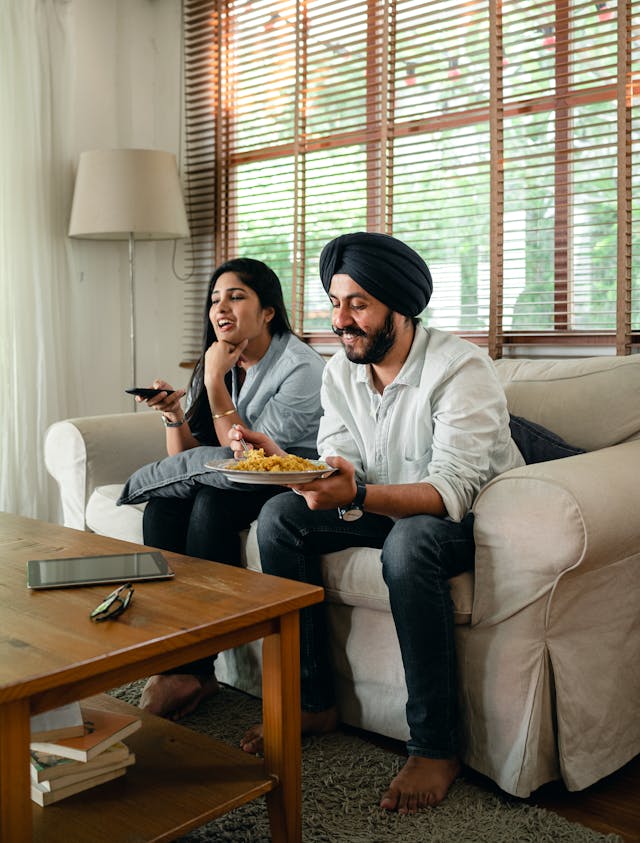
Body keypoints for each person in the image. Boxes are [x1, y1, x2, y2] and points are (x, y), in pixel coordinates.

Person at [228, 231, 526, 815]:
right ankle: (313, 700)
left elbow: (451, 489)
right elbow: (342, 459)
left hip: (467, 517)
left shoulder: (460, 369)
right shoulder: (342, 371)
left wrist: (357, 491)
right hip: (379, 499)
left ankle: (436, 745)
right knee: (280, 516)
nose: (342, 320)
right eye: (335, 303)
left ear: (400, 306)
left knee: (410, 544)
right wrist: (287, 464)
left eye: (358, 304)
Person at [125, 257, 325, 719]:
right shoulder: (223, 356)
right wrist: (174, 413)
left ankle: (196, 668)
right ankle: (179, 661)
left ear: (268, 311)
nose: (222, 308)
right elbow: (187, 461)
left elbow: (249, 457)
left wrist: (214, 380)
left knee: (211, 504)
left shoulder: (301, 368)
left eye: (236, 296)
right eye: (215, 299)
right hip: (238, 477)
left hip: (288, 479)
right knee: (162, 506)